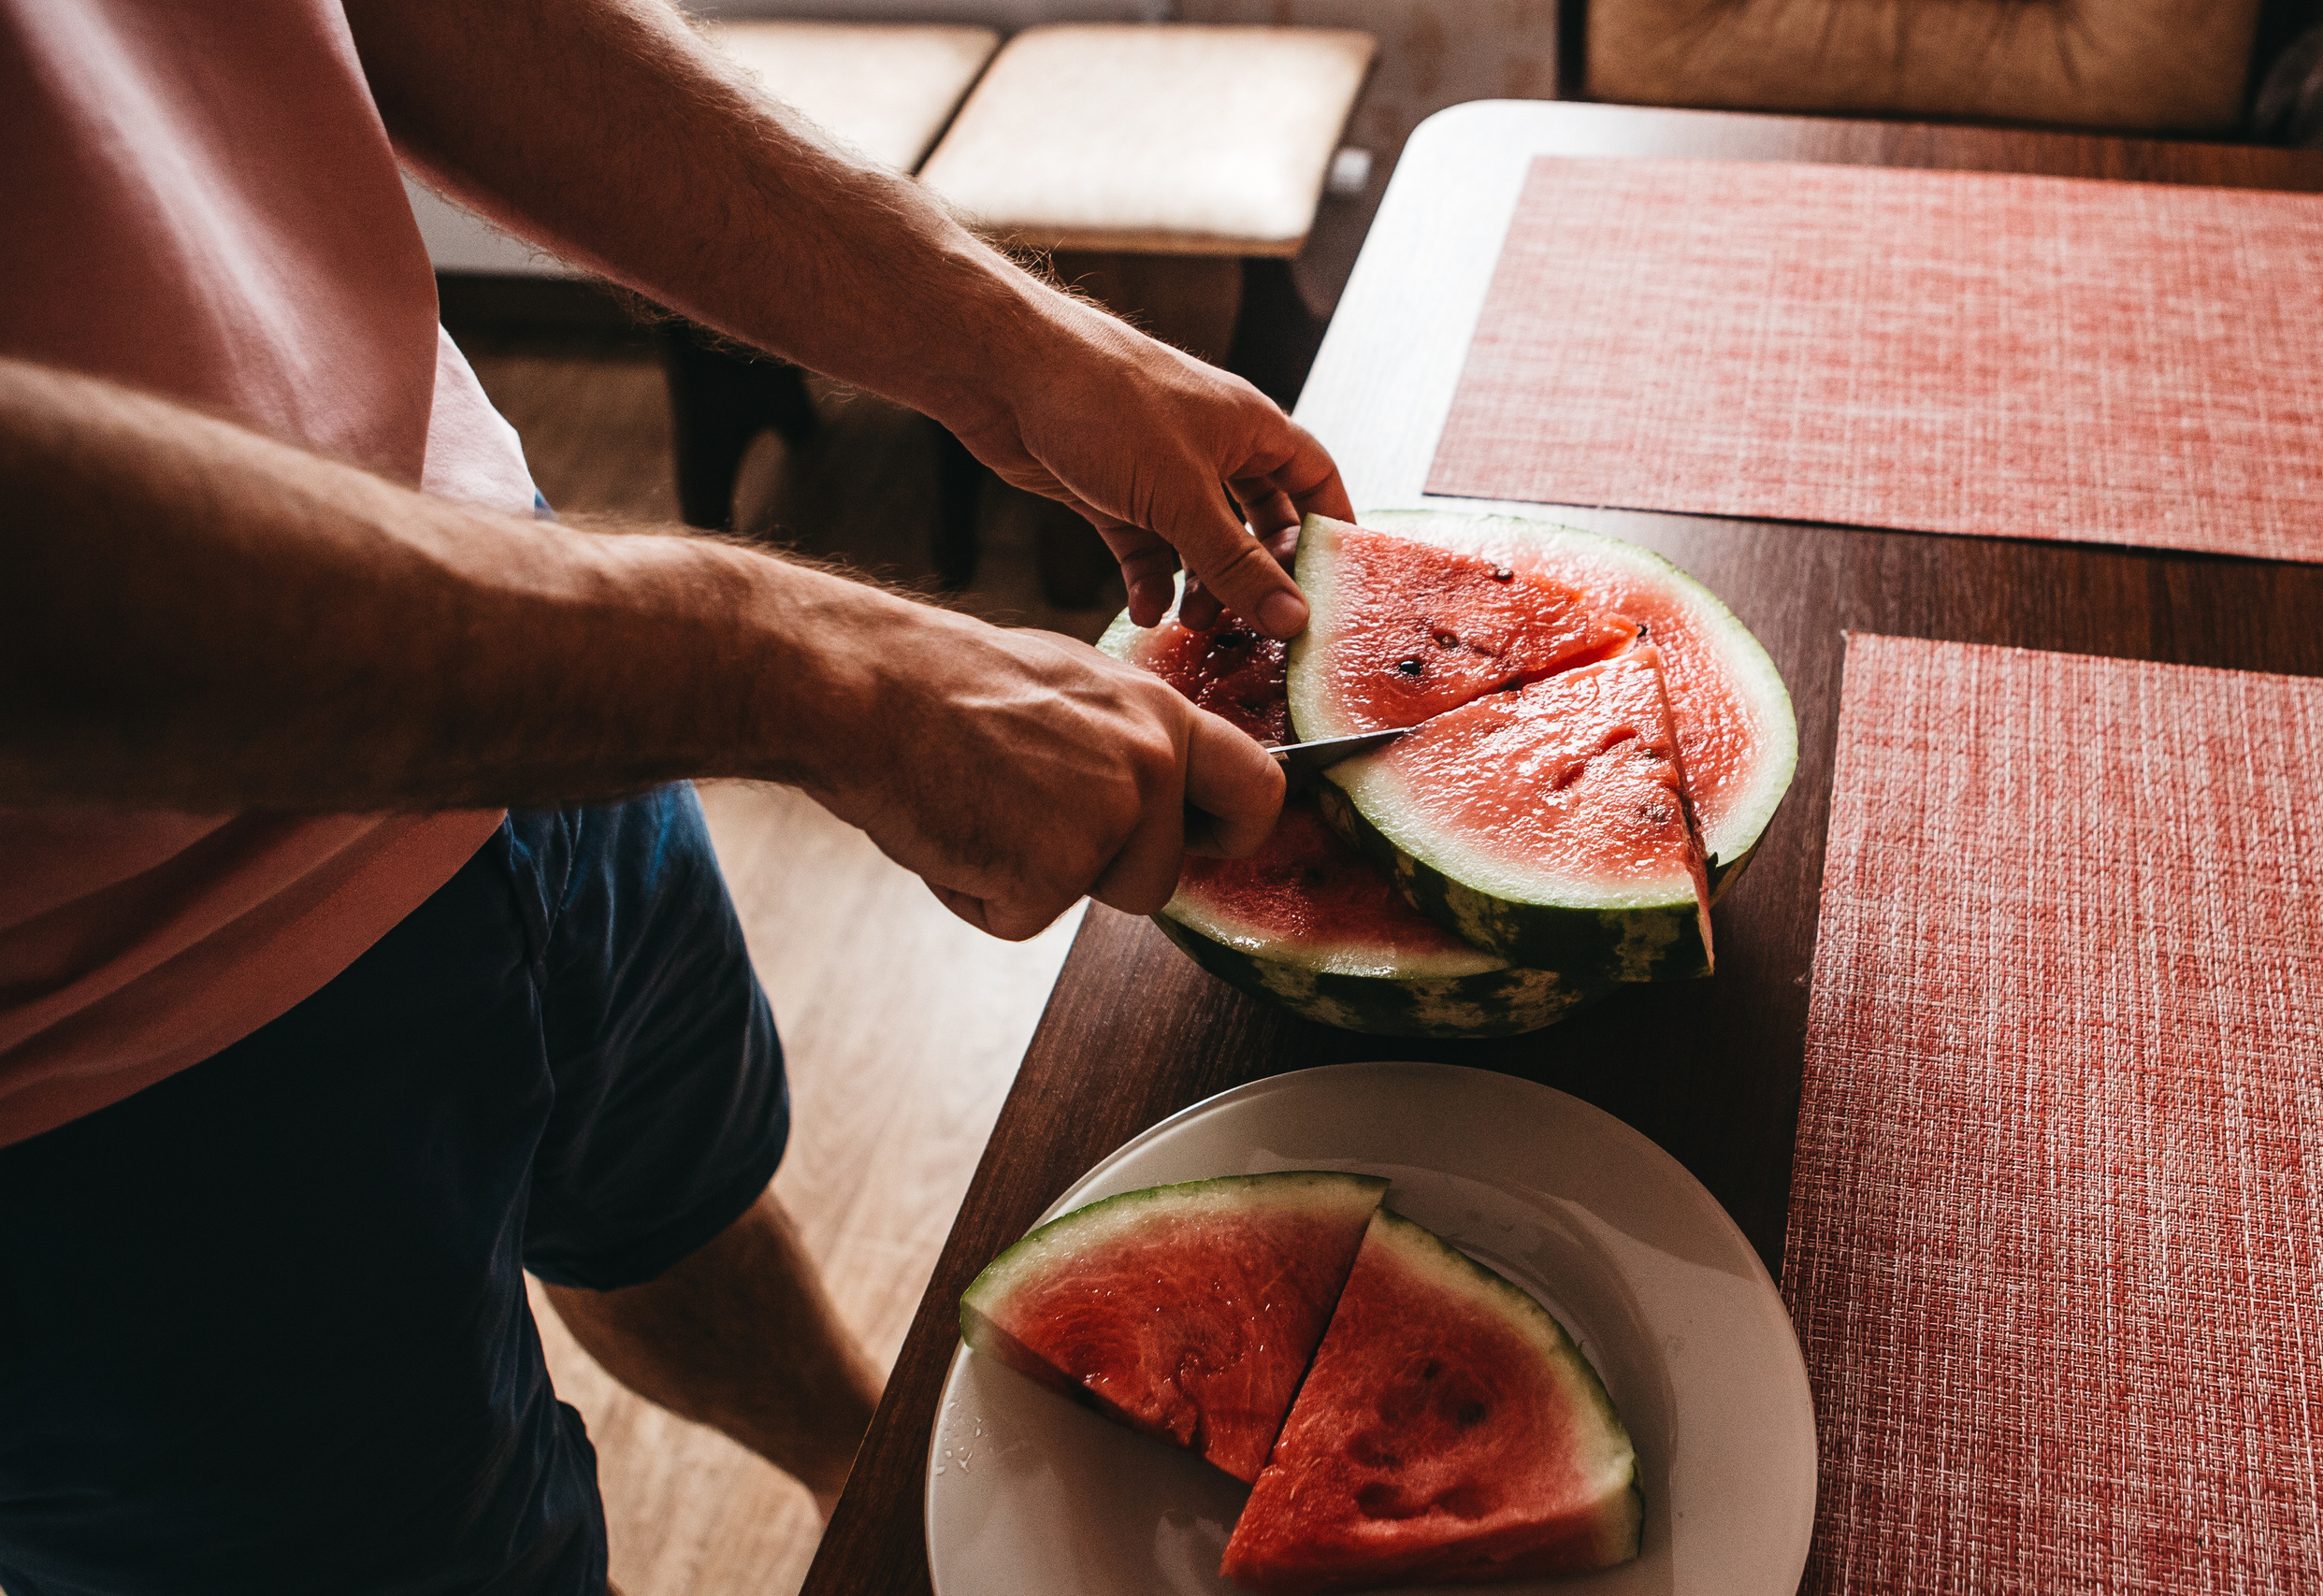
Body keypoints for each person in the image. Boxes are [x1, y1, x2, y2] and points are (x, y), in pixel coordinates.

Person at [0, 0, 1351, 1590]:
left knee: (675, 1200)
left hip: (523, 629)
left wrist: (1017, 346)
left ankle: (859, 1485)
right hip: (106, 1067)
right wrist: (808, 668)